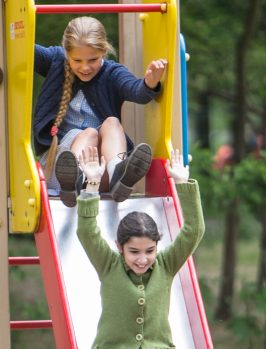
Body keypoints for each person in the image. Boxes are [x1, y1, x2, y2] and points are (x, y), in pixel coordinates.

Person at [75, 147, 202, 349]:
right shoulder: (109, 265)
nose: (143, 259)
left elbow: (193, 231)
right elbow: (87, 232)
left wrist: (183, 183)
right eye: (134, 252)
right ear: (120, 248)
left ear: (157, 247)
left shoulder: (166, 265)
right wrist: (92, 185)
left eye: (149, 251)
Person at [33, 16, 166, 207]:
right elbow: (22, 48)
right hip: (60, 169)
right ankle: (73, 181)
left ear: (103, 51)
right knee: (90, 133)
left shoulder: (112, 73)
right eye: (77, 60)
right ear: (66, 53)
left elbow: (136, 91)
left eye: (93, 59)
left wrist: (149, 83)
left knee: (112, 122)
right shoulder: (55, 61)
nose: (85, 67)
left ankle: (118, 176)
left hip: (97, 173)